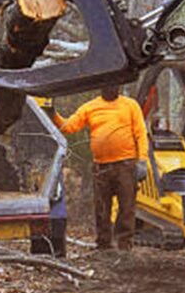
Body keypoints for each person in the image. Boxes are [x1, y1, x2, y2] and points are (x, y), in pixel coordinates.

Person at [51, 85, 148, 250]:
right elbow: (69, 126)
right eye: (108, 85)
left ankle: (124, 245)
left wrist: (142, 161)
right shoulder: (91, 107)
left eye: (115, 85)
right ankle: (103, 244)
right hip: (101, 167)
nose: (112, 88)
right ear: (101, 88)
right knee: (102, 208)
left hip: (125, 165)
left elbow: (141, 133)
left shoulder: (130, 105)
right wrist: (52, 114)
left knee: (127, 207)